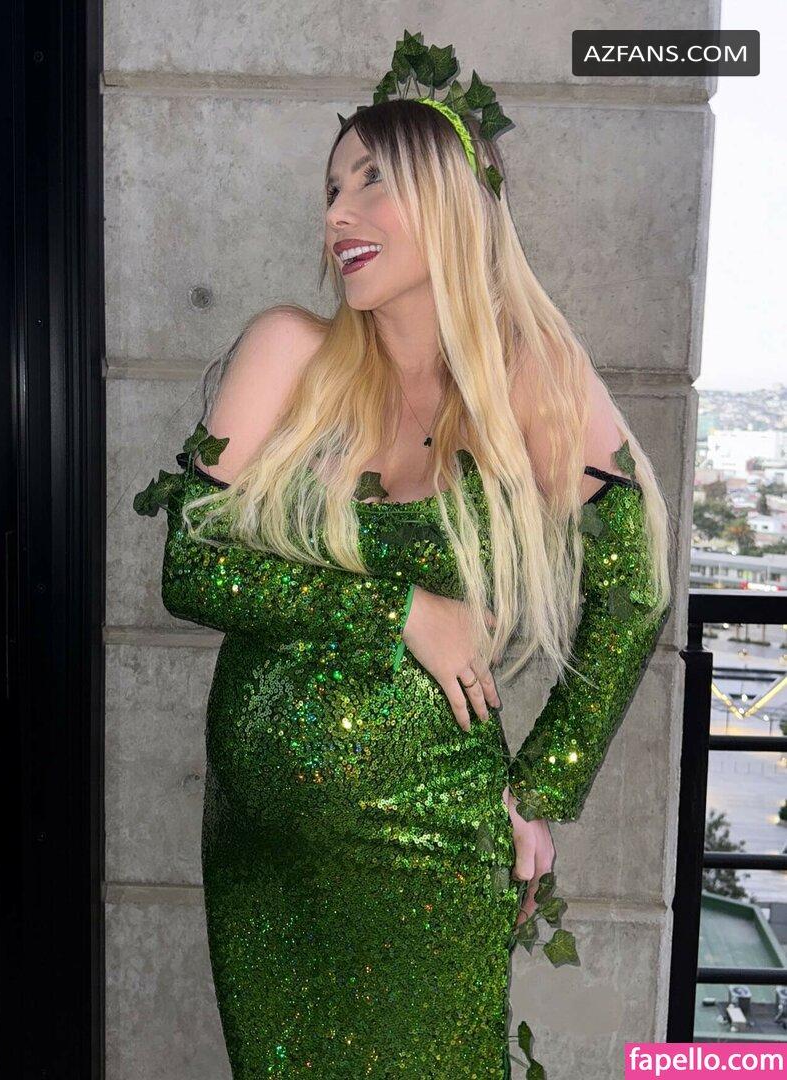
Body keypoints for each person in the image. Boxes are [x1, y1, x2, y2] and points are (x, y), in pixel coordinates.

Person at [135, 35, 672, 1079]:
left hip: (433, 837)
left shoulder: (529, 379)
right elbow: (190, 568)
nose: (338, 214)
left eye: (371, 180)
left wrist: (543, 787)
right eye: (331, 189)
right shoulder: (288, 350)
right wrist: (402, 611)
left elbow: (635, 583)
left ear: (452, 199)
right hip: (264, 853)